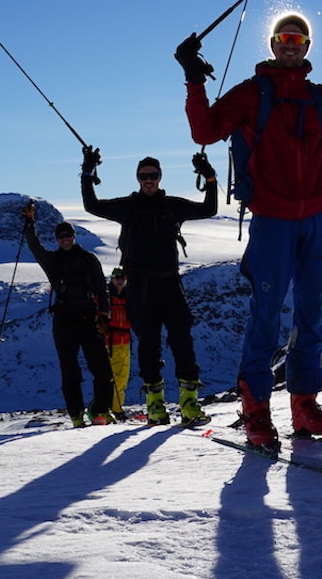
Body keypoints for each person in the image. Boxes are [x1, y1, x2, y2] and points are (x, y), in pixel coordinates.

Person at [175, 12, 322, 449]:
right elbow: (203, 131)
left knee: (312, 313)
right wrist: (193, 80)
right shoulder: (250, 94)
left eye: (298, 37)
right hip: (273, 219)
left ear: (307, 46)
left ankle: (304, 406)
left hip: (317, 218)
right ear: (272, 44)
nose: (290, 43)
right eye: (283, 37)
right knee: (266, 315)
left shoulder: (320, 98)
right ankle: (255, 409)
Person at [80, 148, 218, 426]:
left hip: (169, 282)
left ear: (160, 177)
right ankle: (156, 406)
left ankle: (188, 405)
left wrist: (210, 177)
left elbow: (210, 209)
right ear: (137, 178)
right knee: (149, 346)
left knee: (182, 341)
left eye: (153, 175)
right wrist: (87, 172)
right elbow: (92, 206)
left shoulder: (172, 205)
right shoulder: (128, 207)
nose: (148, 180)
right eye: (144, 176)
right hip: (141, 286)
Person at [22, 205, 115, 427]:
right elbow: (35, 247)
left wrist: (104, 314)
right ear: (57, 239)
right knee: (70, 371)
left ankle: (100, 410)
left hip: (89, 318)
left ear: (73, 237)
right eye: (61, 236)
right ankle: (76, 416)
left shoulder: (88, 259)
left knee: (101, 369)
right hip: (64, 321)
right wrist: (29, 225)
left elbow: (101, 288)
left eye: (68, 235)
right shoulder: (53, 261)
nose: (65, 239)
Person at [105, 267, 133, 419]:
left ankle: (116, 408)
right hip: (111, 342)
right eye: (117, 277)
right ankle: (114, 409)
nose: (120, 280)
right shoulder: (107, 297)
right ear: (112, 279)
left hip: (125, 342)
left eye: (122, 277)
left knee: (122, 378)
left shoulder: (127, 296)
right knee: (114, 378)